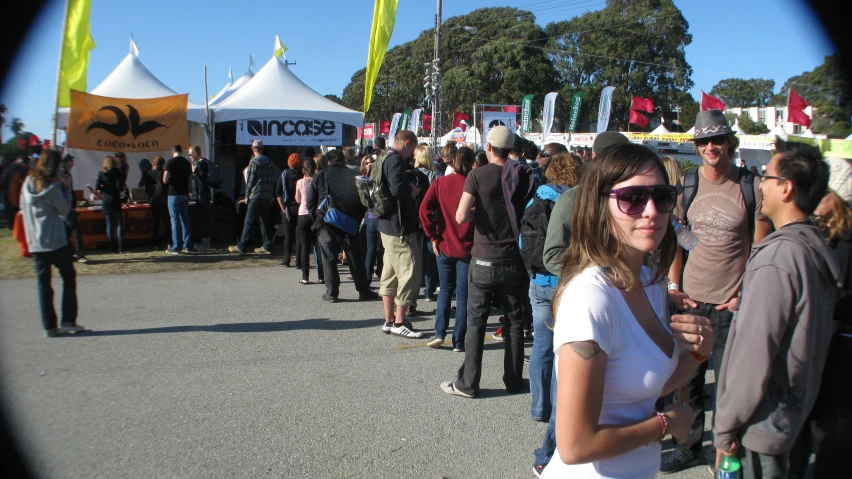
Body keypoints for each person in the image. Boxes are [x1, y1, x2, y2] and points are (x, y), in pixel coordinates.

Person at [541, 142, 713, 478]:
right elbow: (575, 445)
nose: (651, 211)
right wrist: (663, 425)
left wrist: (697, 355)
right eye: (632, 198)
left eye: (662, 196)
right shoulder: (591, 298)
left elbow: (643, 385)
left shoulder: (648, 280)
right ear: (600, 205)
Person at [714, 140, 841, 479]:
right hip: (790, 418)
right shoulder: (812, 246)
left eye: (766, 176)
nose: (759, 183)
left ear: (786, 188)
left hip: (760, 428)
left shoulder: (779, 258)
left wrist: (725, 429)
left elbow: (753, 356)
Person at [662, 110, 772, 473]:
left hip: (730, 304)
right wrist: (675, 286)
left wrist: (745, 293)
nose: (711, 147)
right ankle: (689, 447)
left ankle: (726, 450)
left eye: (718, 140)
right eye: (704, 141)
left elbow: (760, 249)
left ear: (729, 143)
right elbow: (676, 241)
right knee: (687, 383)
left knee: (729, 385)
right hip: (691, 300)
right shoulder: (688, 186)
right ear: (696, 146)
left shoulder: (749, 186)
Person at [532, 130, 631, 476]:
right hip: (579, 305)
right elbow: (552, 254)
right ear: (596, 159)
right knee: (569, 389)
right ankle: (547, 454)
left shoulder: (630, 201)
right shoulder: (573, 200)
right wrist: (593, 275)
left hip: (623, 307)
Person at [439, 125, 535, 398]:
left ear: (489, 148)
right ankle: (514, 381)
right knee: (515, 322)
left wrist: (478, 211)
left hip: (483, 258)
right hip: (513, 258)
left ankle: (469, 383)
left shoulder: (477, 175)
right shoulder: (523, 175)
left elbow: (460, 216)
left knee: (476, 322)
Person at [788, 156, 852, 478]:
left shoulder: (847, 240)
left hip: (839, 349)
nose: (812, 197)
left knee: (829, 431)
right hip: (814, 342)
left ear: (838, 196)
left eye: (821, 191)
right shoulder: (815, 231)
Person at [525, 152, 584, 424]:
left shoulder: (534, 200)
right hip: (566, 283)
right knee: (564, 350)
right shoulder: (576, 203)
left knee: (541, 347)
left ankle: (539, 408)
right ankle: (560, 411)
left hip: (538, 282)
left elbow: (522, 243)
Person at [19, 150, 84, 337]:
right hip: (55, 240)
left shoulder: (27, 184)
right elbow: (64, 210)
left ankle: (49, 326)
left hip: (35, 242)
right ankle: (68, 320)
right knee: (68, 277)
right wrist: (66, 189)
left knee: (43, 285)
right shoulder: (53, 187)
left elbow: (23, 208)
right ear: (54, 166)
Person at [419, 146, 476, 351]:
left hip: (444, 244)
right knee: (463, 295)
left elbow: (424, 211)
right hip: (468, 247)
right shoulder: (474, 184)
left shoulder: (440, 182)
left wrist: (433, 235)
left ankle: (439, 333)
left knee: (445, 289)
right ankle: (458, 341)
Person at [306, 149, 377, 303]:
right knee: (355, 258)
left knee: (329, 258)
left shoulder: (321, 176)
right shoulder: (353, 175)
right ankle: (363, 290)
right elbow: (363, 201)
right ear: (343, 160)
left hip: (326, 222)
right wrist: (357, 218)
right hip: (349, 223)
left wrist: (316, 218)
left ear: (328, 161)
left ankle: (332, 293)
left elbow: (310, 202)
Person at [376, 130, 426, 338]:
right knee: (409, 272)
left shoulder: (383, 157)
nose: (412, 154)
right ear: (406, 143)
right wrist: (412, 189)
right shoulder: (395, 160)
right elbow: (397, 189)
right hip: (399, 227)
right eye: (412, 149)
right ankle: (399, 322)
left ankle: (389, 321)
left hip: (385, 224)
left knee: (390, 273)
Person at [229, 140, 275, 255]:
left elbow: (251, 180)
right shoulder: (269, 162)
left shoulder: (253, 162)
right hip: (266, 195)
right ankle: (267, 245)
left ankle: (242, 245)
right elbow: (271, 180)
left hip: (256, 195)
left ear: (253, 149)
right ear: (262, 149)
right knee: (264, 220)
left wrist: (247, 195)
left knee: (248, 221)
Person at [414, 144, 440, 302]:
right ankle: (429, 290)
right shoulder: (435, 176)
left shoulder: (413, 174)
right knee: (430, 254)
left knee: (416, 255)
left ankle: (415, 289)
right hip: (431, 218)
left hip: (415, 218)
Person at [294, 156, 323, 284]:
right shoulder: (317, 180)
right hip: (315, 213)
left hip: (303, 214)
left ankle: (305, 276)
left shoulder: (300, 182)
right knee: (318, 245)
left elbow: (298, 199)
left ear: (303, 169)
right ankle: (321, 276)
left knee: (305, 246)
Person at [164, 145, 193, 254]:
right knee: (185, 219)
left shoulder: (170, 163)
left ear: (173, 152)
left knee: (175, 220)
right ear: (181, 151)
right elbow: (190, 180)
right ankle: (187, 245)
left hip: (173, 193)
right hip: (184, 193)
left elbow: (165, 179)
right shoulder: (187, 163)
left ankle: (176, 246)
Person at [277, 153, 304, 267]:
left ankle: (286, 259)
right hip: (300, 207)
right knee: (299, 235)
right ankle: (298, 261)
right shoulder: (303, 175)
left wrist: (282, 207)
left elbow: (278, 192)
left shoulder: (284, 174)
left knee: (288, 235)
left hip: (288, 207)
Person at [96, 155, 125, 253]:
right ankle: (121, 247)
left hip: (106, 199)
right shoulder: (117, 172)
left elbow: (97, 187)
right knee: (119, 223)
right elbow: (121, 186)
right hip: (115, 198)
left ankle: (112, 248)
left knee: (109, 224)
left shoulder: (101, 172)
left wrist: (105, 189)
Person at [359, 155, 383, 280]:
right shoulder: (362, 178)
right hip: (370, 214)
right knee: (371, 246)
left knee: (376, 247)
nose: (369, 164)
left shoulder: (376, 177)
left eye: (371, 162)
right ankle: (368, 274)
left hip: (376, 213)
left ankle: (373, 273)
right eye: (367, 162)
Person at [59, 154, 86, 263]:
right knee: (76, 231)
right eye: (71, 160)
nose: (73, 162)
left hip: (66, 207)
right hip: (66, 208)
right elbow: (64, 192)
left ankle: (67, 254)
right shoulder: (63, 175)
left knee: (66, 232)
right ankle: (80, 255)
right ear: (66, 162)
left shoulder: (65, 174)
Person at [188, 145, 213, 249]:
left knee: (203, 219)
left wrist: (194, 173)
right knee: (203, 218)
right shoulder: (206, 162)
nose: (189, 157)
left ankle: (205, 242)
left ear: (195, 153)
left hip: (202, 195)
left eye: (190, 154)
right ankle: (206, 240)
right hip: (204, 195)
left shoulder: (201, 164)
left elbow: (202, 179)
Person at [148, 156, 170, 250]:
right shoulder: (164, 173)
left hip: (153, 200)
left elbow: (146, 188)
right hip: (164, 200)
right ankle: (168, 241)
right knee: (166, 222)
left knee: (155, 222)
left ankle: (156, 243)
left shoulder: (149, 173)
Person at [2, 156, 29, 229]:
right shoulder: (22, 170)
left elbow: (3, 181)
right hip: (17, 193)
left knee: (10, 210)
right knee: (16, 210)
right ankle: (15, 225)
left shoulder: (10, 168)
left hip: (10, 192)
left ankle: (11, 225)